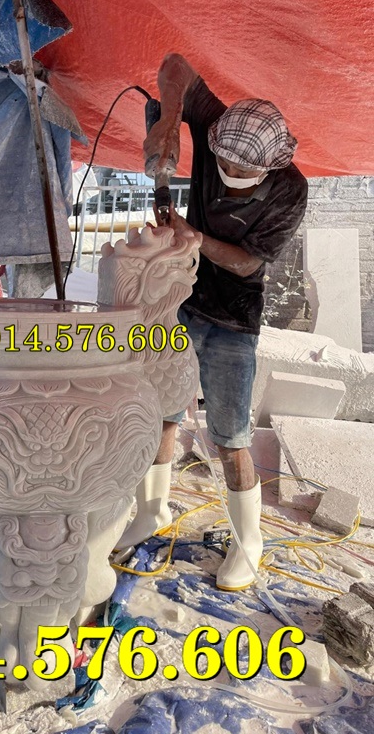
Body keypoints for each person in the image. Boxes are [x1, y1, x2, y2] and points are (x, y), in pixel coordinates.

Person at [118, 53, 308, 591]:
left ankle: (249, 541)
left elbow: (248, 263)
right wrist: (168, 119)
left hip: (233, 316)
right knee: (161, 412)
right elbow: (175, 65)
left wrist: (195, 237)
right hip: (182, 298)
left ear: (269, 168)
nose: (229, 176)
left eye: (243, 173)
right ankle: (151, 511)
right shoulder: (216, 126)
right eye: (223, 164)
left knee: (230, 435)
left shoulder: (291, 190)